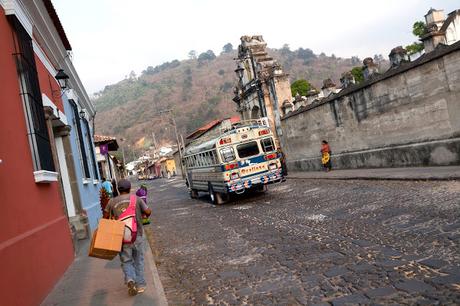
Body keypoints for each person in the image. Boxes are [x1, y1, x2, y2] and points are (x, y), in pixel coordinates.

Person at [104, 179, 152, 296]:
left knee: (126, 260)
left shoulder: (111, 202)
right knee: (138, 260)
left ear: (118, 190)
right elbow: (148, 211)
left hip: (122, 237)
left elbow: (105, 218)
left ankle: (130, 279)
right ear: (130, 188)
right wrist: (143, 213)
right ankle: (140, 285)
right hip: (137, 235)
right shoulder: (137, 199)